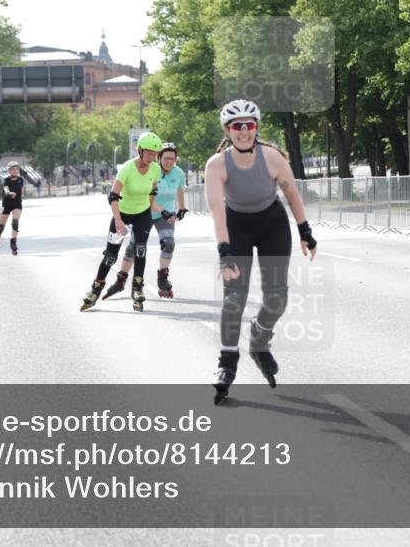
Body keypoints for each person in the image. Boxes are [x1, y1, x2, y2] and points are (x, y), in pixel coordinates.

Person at [204, 100, 318, 405]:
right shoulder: (216, 165)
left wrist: (305, 232)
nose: (243, 131)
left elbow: (292, 194)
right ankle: (226, 363)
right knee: (234, 298)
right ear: (227, 131)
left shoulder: (272, 157)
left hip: (272, 226)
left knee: (277, 298)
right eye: (237, 126)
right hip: (236, 228)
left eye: (249, 125)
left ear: (256, 128)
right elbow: (217, 211)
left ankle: (260, 337)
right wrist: (224, 252)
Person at [81, 132, 164, 312]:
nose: (151, 157)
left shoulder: (155, 169)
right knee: (111, 256)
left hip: (142, 213)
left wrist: (151, 208)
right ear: (140, 150)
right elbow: (113, 196)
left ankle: (137, 288)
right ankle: (95, 289)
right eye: (149, 153)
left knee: (140, 250)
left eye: (155, 154)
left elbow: (153, 190)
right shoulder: (127, 168)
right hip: (122, 214)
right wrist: (118, 221)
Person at [103, 142, 188, 301]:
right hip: (145, 213)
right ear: (159, 158)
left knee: (169, 243)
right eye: (166, 158)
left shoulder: (178, 172)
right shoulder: (152, 170)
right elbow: (149, 200)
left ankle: (162, 277)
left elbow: (180, 189)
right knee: (134, 249)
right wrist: (163, 211)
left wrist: (183, 208)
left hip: (165, 215)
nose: (169, 162)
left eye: (173, 159)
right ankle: (121, 280)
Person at [0, 161, 24, 256]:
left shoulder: (20, 180)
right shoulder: (6, 180)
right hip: (6, 204)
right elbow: (6, 189)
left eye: (17, 169)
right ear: (9, 171)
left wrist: (19, 196)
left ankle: (13, 242)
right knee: (1, 226)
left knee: (15, 222)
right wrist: (9, 193)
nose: (15, 171)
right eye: (13, 169)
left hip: (17, 204)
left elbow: (20, 190)